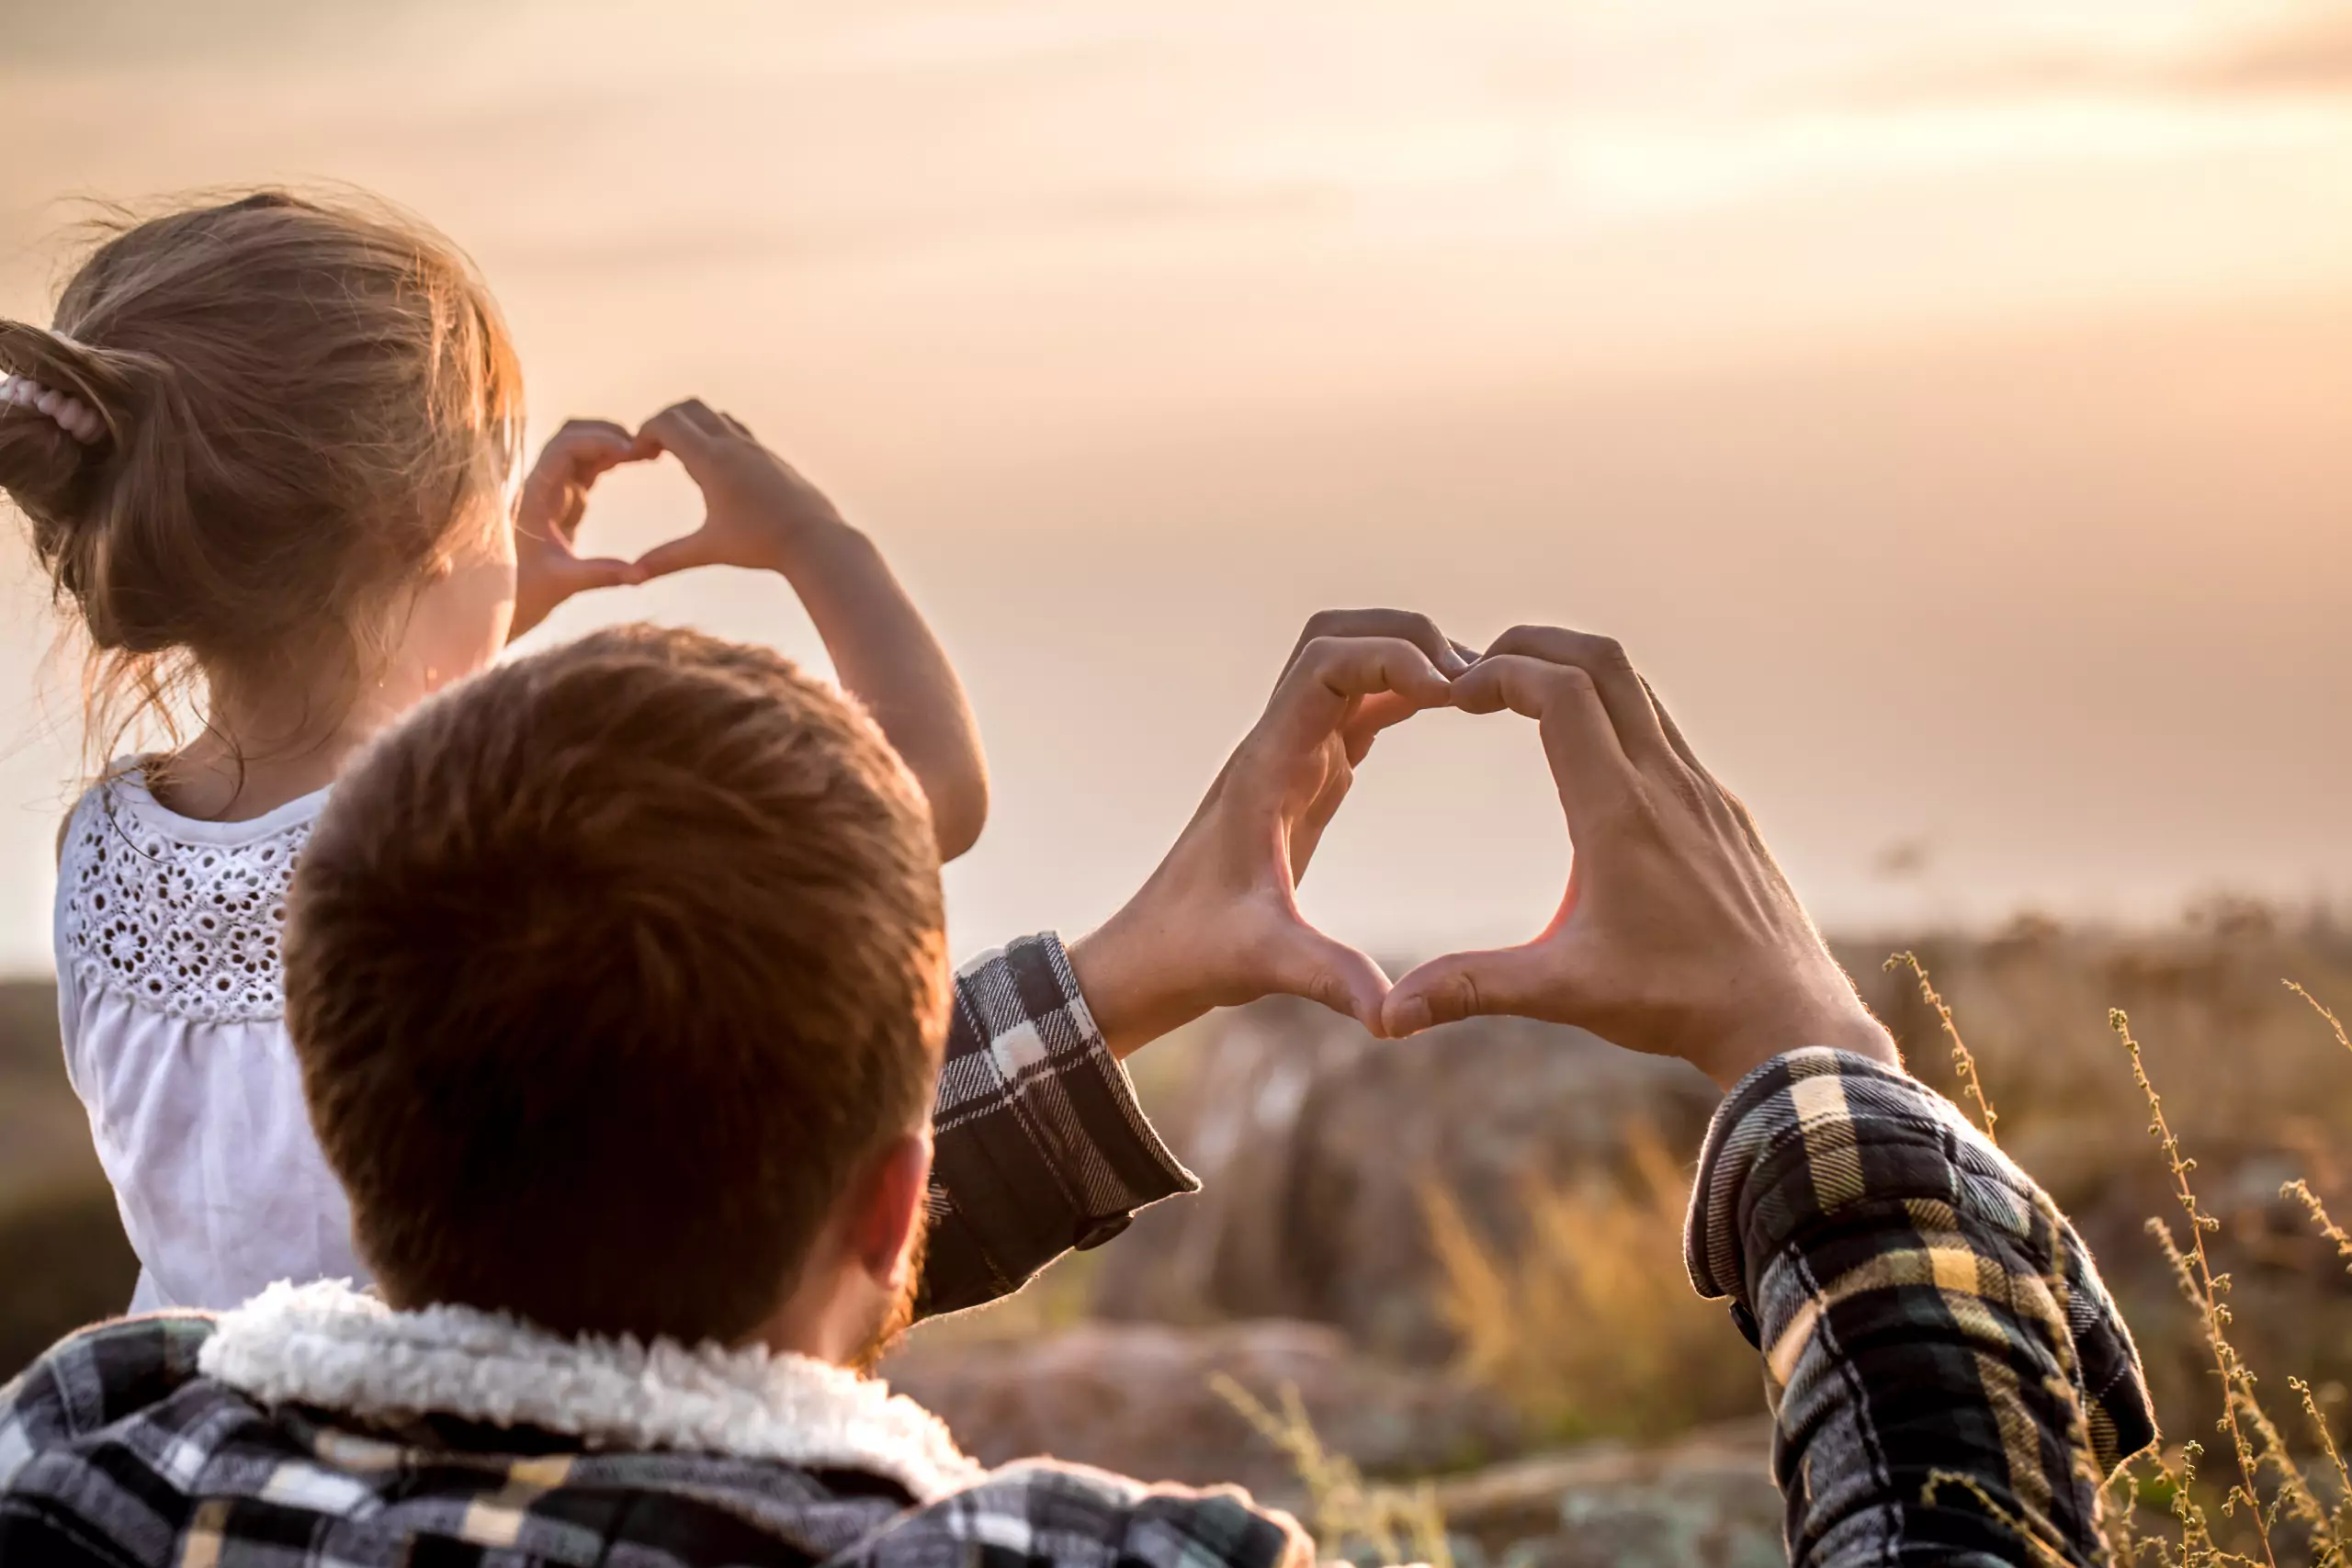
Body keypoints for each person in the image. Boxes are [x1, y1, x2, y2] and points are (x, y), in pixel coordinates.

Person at [0, 611, 2154, 1568]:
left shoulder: (99, 1461)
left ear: (354, 1128)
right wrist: (1815, 1066)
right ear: (890, 1211)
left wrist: (1124, 973)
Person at [0, 188, 989, 1313]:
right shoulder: (487, 864)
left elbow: (346, 750)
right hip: (443, 1444)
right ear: (414, 529)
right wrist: (818, 539)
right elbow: (929, 799)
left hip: (199, 1435)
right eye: (488, 464)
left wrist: (483, 588)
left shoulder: (106, 856)